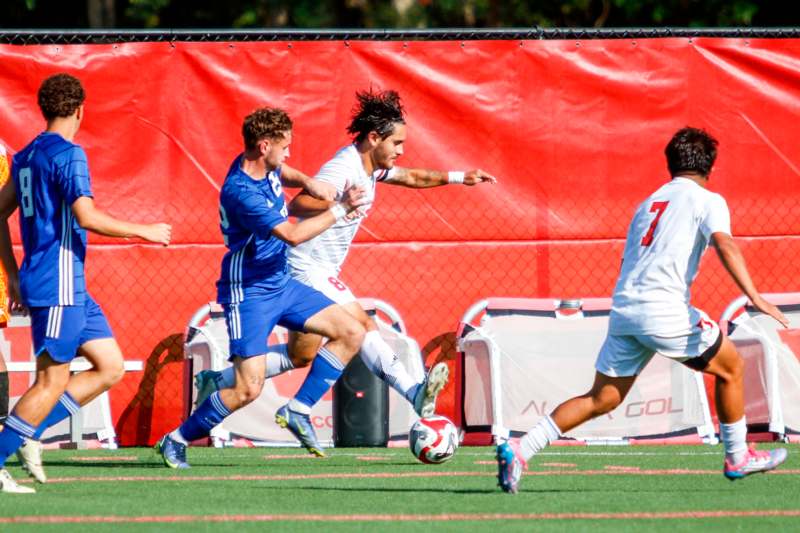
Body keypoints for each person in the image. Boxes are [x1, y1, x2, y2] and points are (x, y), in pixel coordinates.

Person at [195, 89, 497, 456]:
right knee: (361, 326)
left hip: (314, 267)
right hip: (307, 265)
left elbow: (412, 177)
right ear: (374, 138)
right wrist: (338, 205)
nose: (401, 150)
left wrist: (459, 176)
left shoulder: (372, 167)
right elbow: (300, 205)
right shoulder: (345, 168)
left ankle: (218, 380)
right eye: (396, 143)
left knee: (302, 355)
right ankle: (410, 392)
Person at [496, 127, 789, 494]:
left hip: (626, 309)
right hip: (663, 311)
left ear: (670, 165)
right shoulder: (708, 200)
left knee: (602, 398)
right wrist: (755, 296)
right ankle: (737, 456)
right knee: (731, 368)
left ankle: (520, 449)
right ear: (709, 167)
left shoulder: (648, 204)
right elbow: (724, 244)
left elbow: (628, 259)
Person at [155, 106, 368, 469]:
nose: (288, 154)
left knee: (351, 331)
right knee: (247, 390)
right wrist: (340, 209)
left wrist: (308, 182)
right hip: (249, 292)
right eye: (284, 146)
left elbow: (281, 169)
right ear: (264, 145)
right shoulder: (241, 192)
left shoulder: (262, 163)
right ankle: (175, 440)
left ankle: (298, 410)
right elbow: (293, 235)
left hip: (281, 282)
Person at [0, 73, 172, 493]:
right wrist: (144, 230)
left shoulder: (25, 154)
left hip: (68, 284)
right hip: (58, 283)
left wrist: (13, 274)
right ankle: (9, 444)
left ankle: (26, 432)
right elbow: (88, 216)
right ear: (80, 109)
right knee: (50, 380)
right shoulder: (69, 154)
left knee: (109, 366)